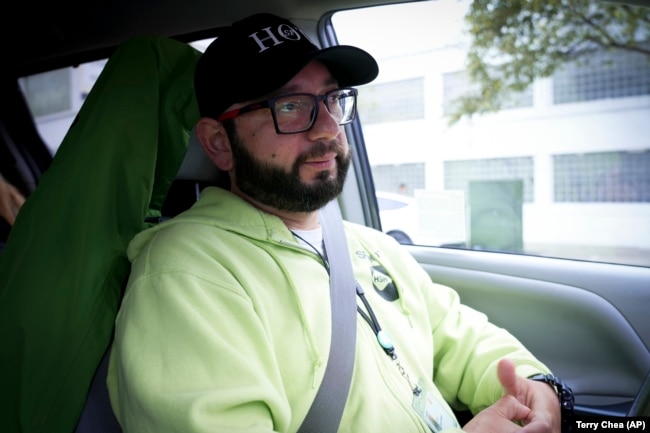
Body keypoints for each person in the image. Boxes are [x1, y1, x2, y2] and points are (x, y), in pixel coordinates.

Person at [107, 13, 571, 433]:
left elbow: (458, 338)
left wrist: (536, 388)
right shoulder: (185, 275)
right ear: (218, 143)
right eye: (288, 106)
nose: (327, 127)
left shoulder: (368, 246)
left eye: (331, 99)